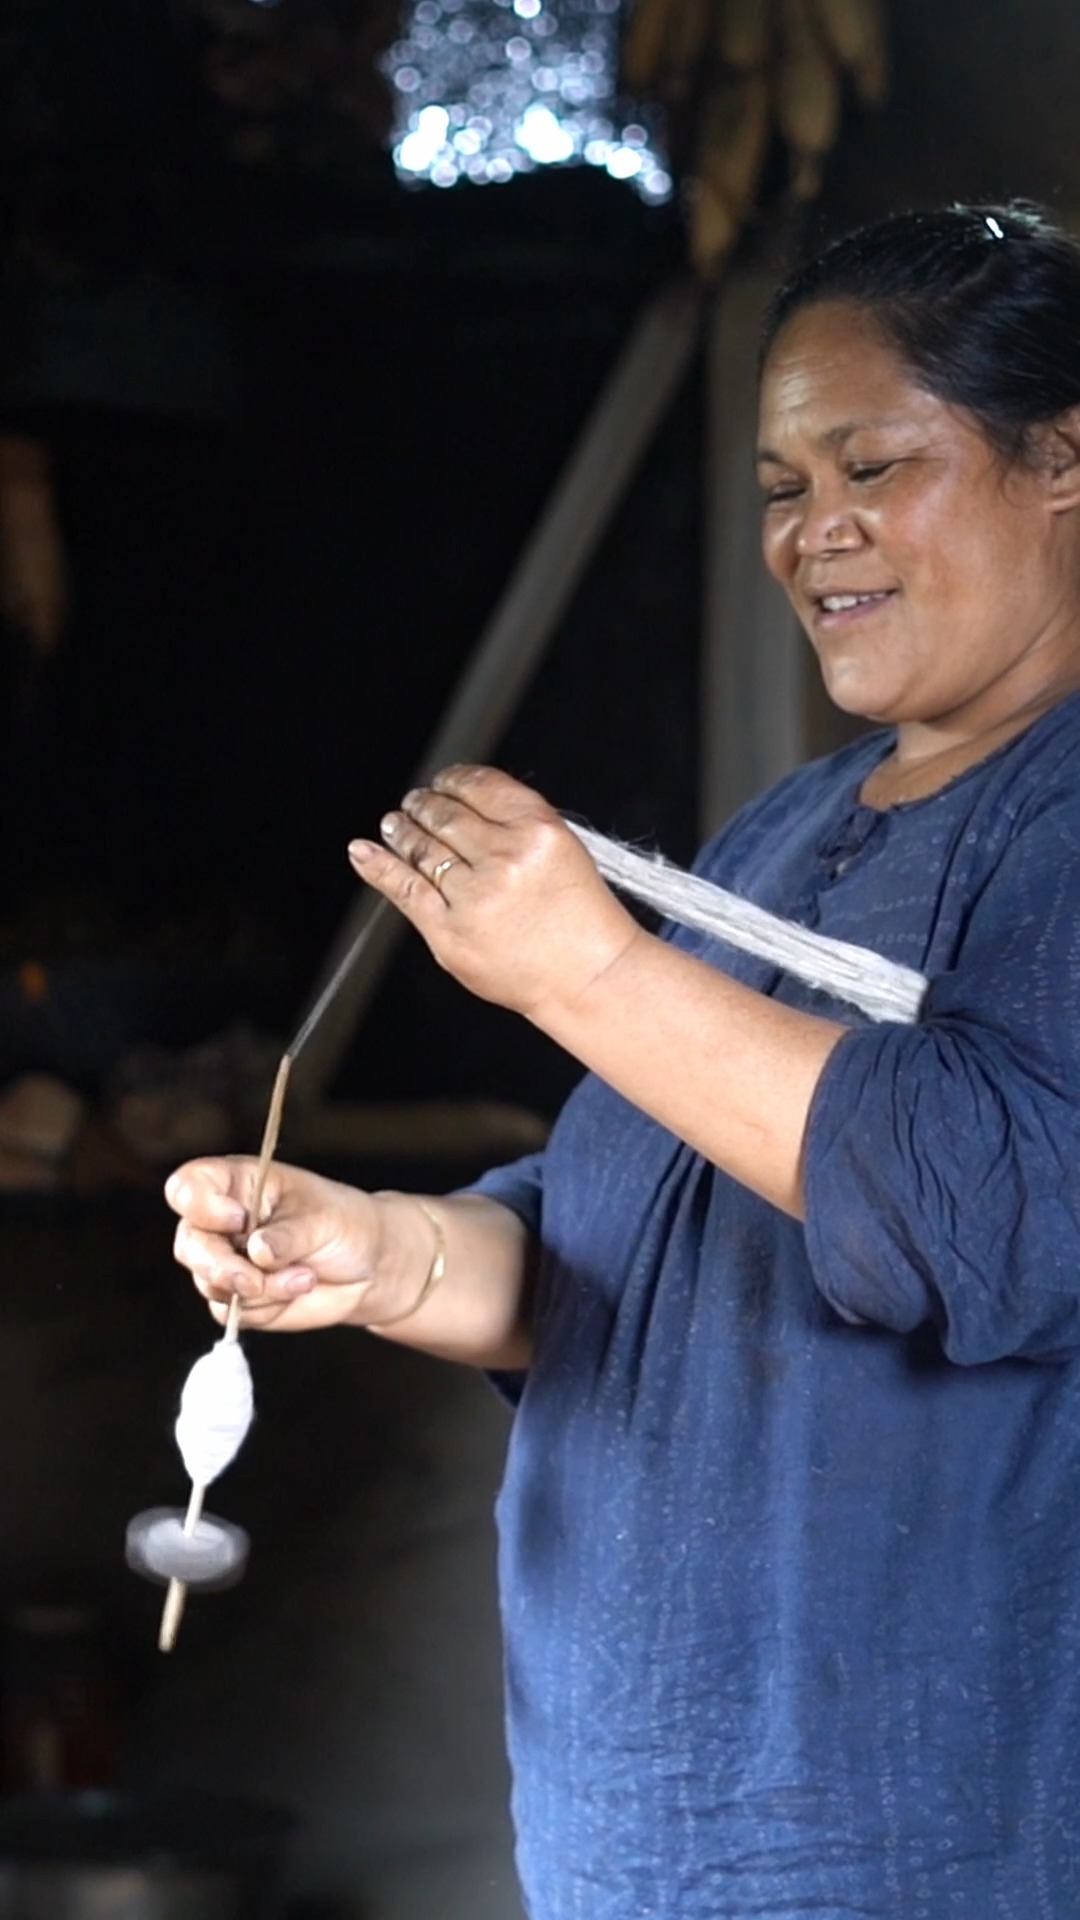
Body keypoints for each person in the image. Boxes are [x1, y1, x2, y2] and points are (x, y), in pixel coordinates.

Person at [168, 201, 1080, 1917]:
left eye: (874, 465)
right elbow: (640, 1242)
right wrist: (385, 1253)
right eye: (782, 487)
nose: (815, 532)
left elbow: (1011, 1206)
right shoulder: (785, 831)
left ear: (1063, 462)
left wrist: (585, 971)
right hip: (648, 1840)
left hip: (924, 1849)